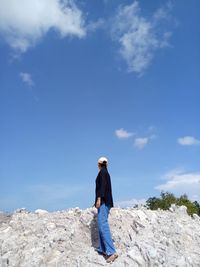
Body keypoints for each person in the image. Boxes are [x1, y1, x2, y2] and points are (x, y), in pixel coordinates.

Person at [94, 157, 118, 263]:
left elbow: (102, 187)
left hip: (103, 201)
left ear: (99, 164)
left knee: (103, 224)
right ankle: (102, 248)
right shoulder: (105, 172)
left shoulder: (102, 173)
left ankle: (112, 252)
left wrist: (99, 199)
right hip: (105, 201)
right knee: (101, 224)